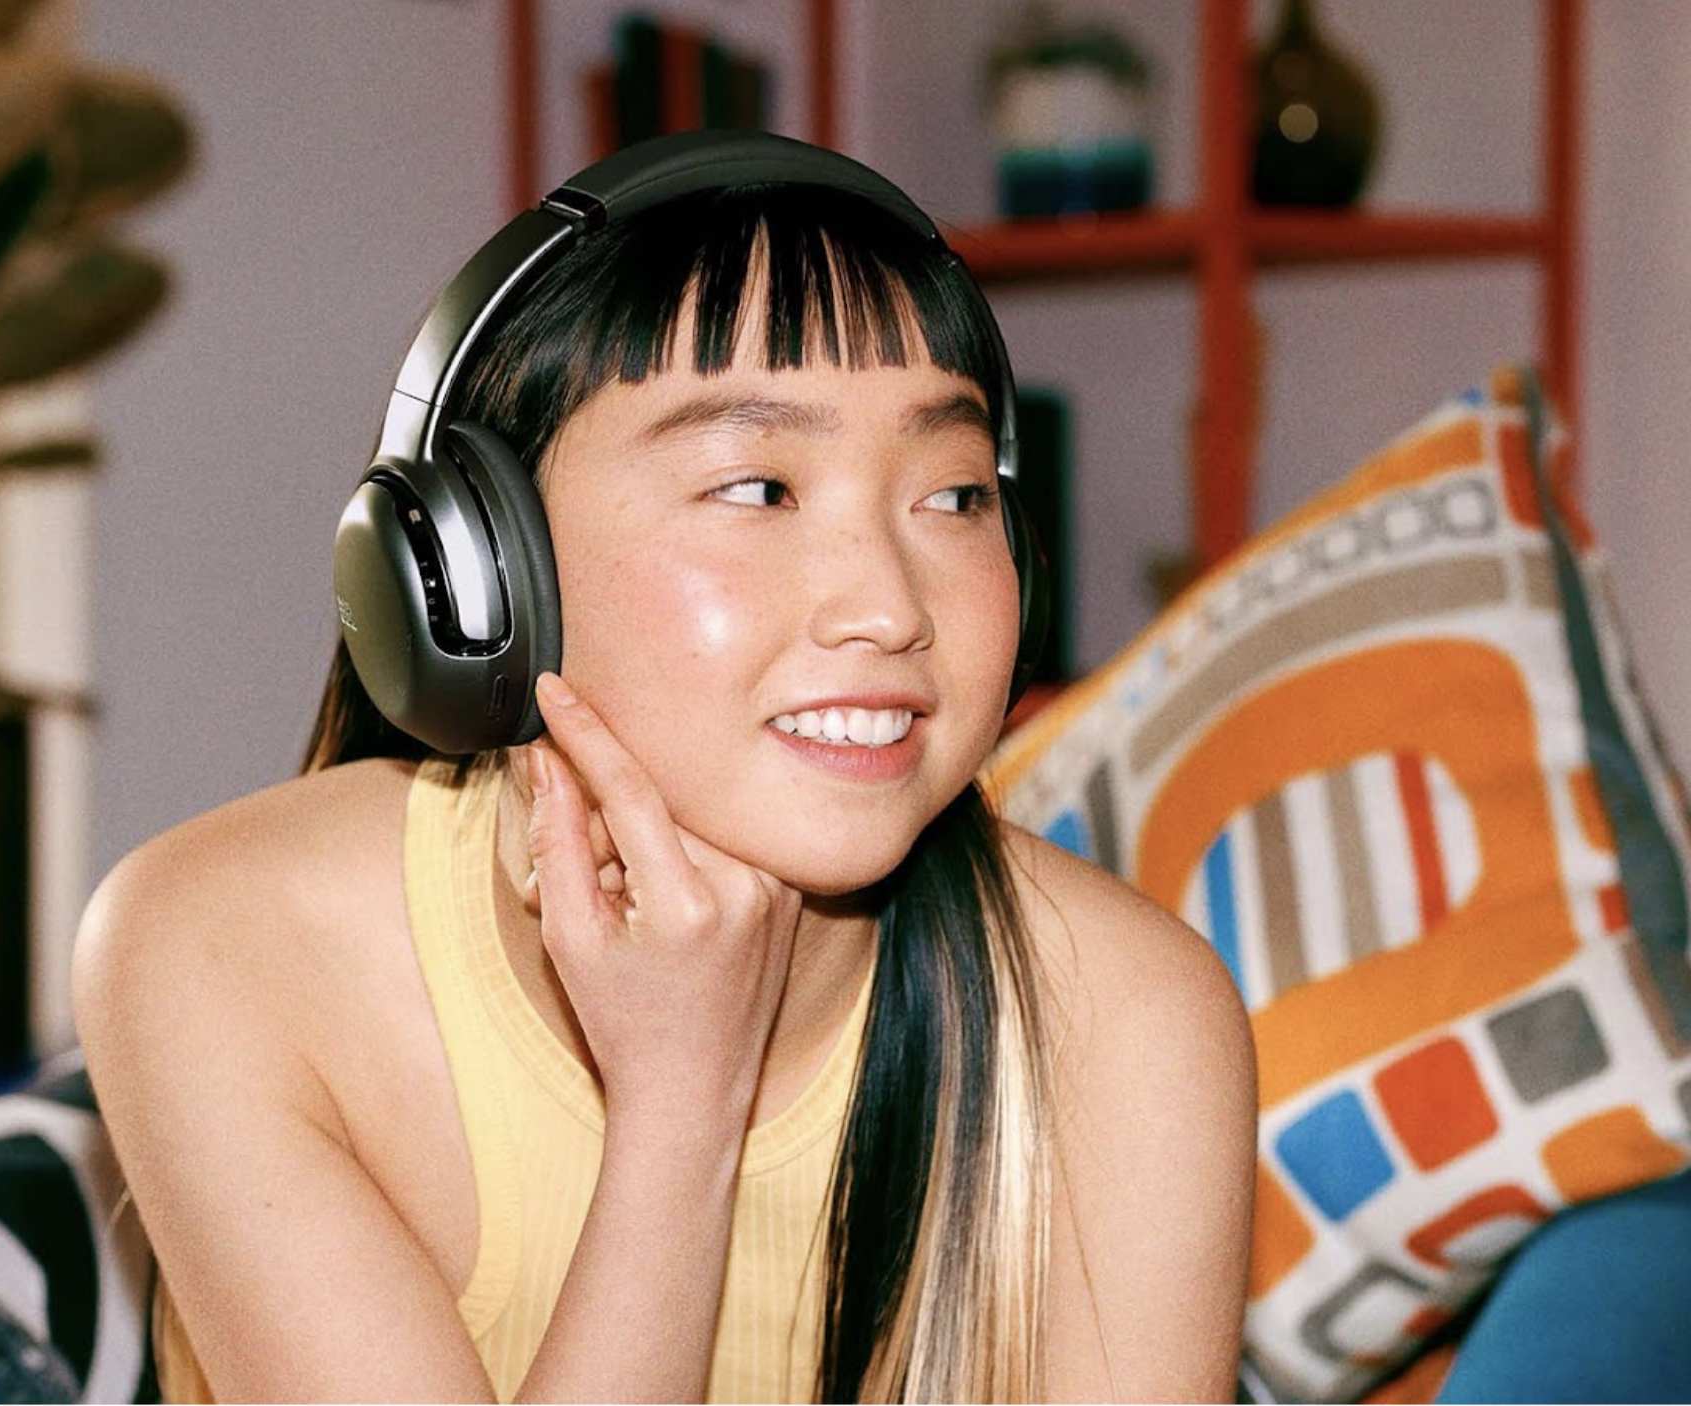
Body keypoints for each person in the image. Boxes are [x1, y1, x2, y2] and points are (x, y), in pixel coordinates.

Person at [73, 132, 1255, 1403]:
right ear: (484, 571)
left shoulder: (1128, 1024)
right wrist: (680, 1108)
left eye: (955, 495)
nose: (888, 607)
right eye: (758, 488)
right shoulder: (217, 940)